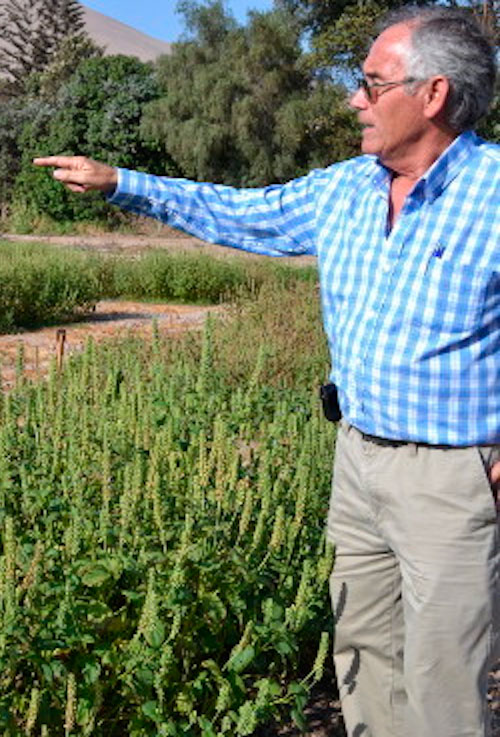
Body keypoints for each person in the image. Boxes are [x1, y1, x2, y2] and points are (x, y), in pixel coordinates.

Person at [36, 6, 499, 736]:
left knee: (443, 678)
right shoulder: (343, 189)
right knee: (363, 655)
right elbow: (242, 213)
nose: (355, 99)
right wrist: (122, 181)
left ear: (433, 94)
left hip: (451, 478)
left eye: (372, 84)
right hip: (357, 460)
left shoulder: (495, 194)